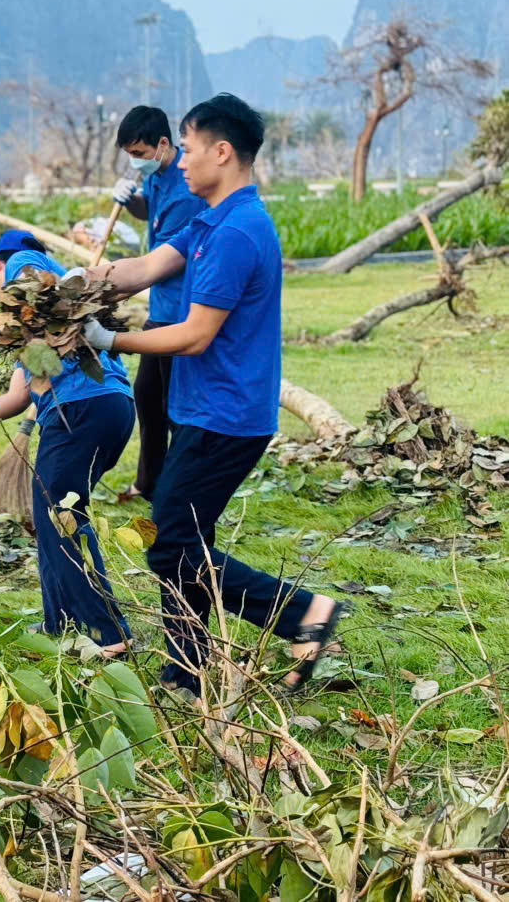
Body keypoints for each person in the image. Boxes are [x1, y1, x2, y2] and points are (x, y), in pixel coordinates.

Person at [84, 94, 342, 696]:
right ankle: (187, 669)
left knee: (170, 543)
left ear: (221, 152)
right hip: (203, 408)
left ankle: (303, 613)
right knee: (186, 538)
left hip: (227, 415)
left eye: (189, 149)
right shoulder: (211, 220)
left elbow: (196, 335)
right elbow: (146, 268)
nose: (180, 162)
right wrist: (78, 283)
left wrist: (112, 340)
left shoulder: (238, 233)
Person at [0, 232, 136, 655]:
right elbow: (17, 398)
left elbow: (25, 284)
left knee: (61, 518)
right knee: (53, 514)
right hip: (109, 409)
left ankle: (108, 634)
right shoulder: (45, 323)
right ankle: (61, 622)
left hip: (81, 410)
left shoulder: (24, 263)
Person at [110, 106, 207, 502]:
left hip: (180, 310)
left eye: (138, 153)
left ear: (163, 144)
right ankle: (149, 483)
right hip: (161, 306)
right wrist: (129, 199)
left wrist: (114, 286)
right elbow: (148, 209)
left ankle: (185, 490)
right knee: (148, 398)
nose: (135, 161)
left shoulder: (187, 190)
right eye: (129, 155)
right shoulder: (158, 174)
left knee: (173, 407)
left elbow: (164, 259)